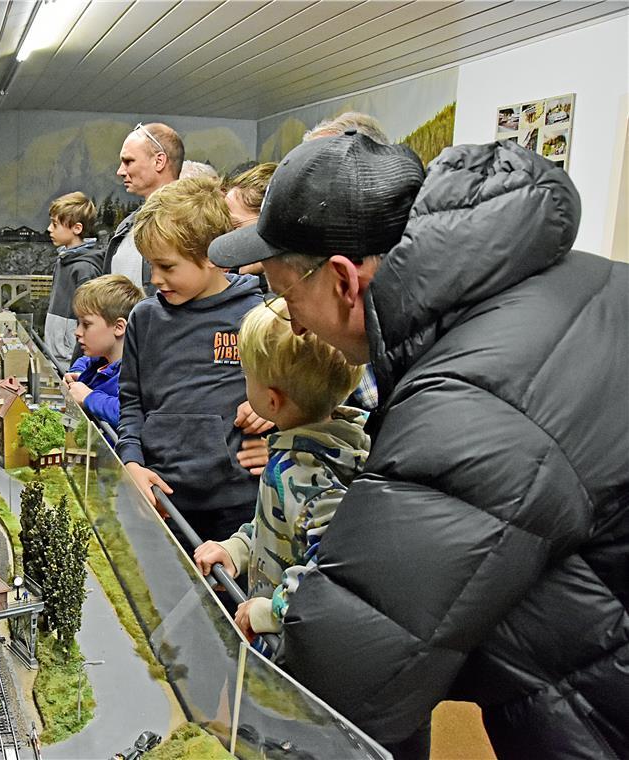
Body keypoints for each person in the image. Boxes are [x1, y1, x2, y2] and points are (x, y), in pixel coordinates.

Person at [208, 131, 628, 758]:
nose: (291, 321)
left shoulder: (471, 399)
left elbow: (359, 669)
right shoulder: (560, 286)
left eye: (287, 296)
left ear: (345, 281)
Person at [193, 300, 367, 653]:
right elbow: (284, 526)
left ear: (272, 401)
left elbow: (334, 569)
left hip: (289, 652)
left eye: (246, 376)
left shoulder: (305, 472)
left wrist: (274, 610)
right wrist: (239, 549)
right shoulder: (308, 451)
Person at [116, 177, 266, 541]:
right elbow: (132, 402)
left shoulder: (260, 316)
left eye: (167, 267)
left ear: (213, 258)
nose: (154, 279)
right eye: (151, 265)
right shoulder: (144, 318)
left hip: (237, 504)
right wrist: (131, 461)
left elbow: (295, 400)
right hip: (161, 496)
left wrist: (273, 421)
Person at [103, 122, 183, 292]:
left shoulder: (188, 224)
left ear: (159, 161)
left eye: (128, 161)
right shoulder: (127, 226)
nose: (120, 171)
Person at [62, 274, 145, 430]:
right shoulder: (101, 361)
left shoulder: (134, 375)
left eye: (86, 324)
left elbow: (132, 415)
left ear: (119, 327)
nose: (77, 332)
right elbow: (84, 362)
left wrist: (89, 397)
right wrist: (78, 376)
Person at [43, 191, 101, 366]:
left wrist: (79, 360)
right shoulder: (63, 260)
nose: (49, 229)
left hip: (71, 361)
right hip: (56, 356)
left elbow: (89, 319)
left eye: (55, 224)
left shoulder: (85, 269)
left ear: (77, 228)